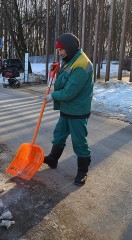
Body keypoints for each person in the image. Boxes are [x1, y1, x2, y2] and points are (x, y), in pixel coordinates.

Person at [43, 33, 94, 186]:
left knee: (79, 141)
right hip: (67, 108)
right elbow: (65, 78)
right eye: (58, 50)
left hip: (78, 111)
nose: (60, 53)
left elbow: (70, 92)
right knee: (59, 134)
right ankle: (53, 159)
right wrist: (57, 70)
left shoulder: (82, 65)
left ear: (70, 48)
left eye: (61, 50)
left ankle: (82, 171)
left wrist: (53, 96)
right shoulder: (70, 59)